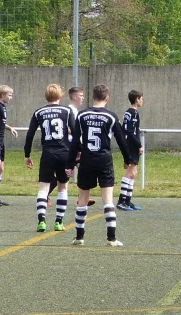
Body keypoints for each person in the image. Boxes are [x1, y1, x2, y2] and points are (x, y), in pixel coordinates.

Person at [67, 84, 130, 247]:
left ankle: (79, 237)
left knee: (83, 199)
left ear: (92, 97)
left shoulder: (81, 115)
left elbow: (74, 142)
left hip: (87, 159)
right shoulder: (111, 117)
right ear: (107, 98)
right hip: (104, 159)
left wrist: (70, 163)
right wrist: (127, 159)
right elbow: (122, 140)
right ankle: (111, 238)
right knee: (107, 199)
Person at [24, 84, 75, 232]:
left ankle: (41, 220)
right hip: (64, 153)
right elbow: (76, 133)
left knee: (43, 187)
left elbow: (30, 135)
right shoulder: (67, 110)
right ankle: (59, 221)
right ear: (60, 96)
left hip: (47, 154)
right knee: (63, 187)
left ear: (46, 96)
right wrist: (77, 152)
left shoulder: (39, 112)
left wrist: (27, 154)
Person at [46, 87, 95, 207]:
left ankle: (81, 196)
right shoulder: (69, 110)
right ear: (74, 97)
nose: (83, 98)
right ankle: (45, 194)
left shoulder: (75, 110)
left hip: (74, 146)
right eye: (81, 95)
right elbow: (69, 129)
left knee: (79, 169)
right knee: (73, 172)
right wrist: (77, 147)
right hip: (69, 147)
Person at [116, 90, 144, 211]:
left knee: (133, 174)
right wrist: (139, 145)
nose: (142, 101)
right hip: (132, 145)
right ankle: (122, 201)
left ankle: (128, 201)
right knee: (129, 173)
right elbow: (130, 132)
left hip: (129, 145)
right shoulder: (133, 113)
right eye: (141, 99)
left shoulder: (128, 112)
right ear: (137, 99)